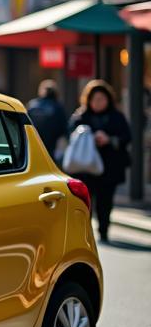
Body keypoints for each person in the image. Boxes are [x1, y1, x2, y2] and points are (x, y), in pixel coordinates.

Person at [69, 79, 132, 242]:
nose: (98, 103)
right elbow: (70, 134)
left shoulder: (116, 117)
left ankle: (104, 230)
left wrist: (109, 140)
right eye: (95, 99)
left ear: (108, 99)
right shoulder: (80, 116)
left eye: (101, 99)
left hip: (110, 167)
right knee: (86, 201)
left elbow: (127, 137)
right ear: (88, 100)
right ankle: (85, 232)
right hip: (85, 168)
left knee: (105, 200)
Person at [27, 79, 68, 159]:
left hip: (33, 142)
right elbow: (63, 127)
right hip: (51, 145)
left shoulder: (32, 105)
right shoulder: (57, 107)